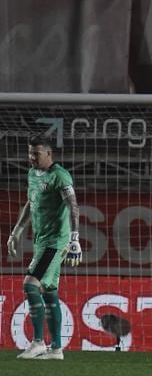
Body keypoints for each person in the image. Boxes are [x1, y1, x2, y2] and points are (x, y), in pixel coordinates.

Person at [9, 138, 82, 361]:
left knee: (30, 285)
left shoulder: (59, 176)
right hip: (41, 240)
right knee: (49, 292)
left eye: (37, 154)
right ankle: (56, 349)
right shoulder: (32, 174)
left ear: (49, 154)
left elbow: (73, 205)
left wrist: (74, 238)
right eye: (30, 153)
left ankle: (38, 342)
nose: (32, 158)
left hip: (56, 241)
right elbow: (31, 203)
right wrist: (16, 232)